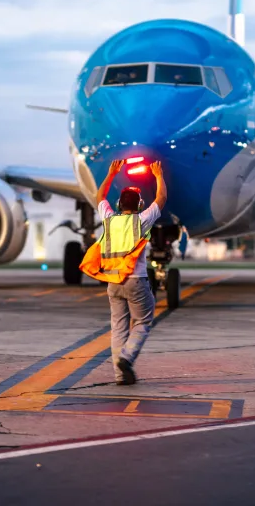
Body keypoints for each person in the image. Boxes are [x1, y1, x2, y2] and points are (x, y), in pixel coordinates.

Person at [86, 160, 167, 385]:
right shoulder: (141, 221)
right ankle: (127, 357)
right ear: (139, 205)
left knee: (118, 327)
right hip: (136, 280)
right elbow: (161, 200)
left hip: (113, 281)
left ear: (119, 204)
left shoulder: (110, 220)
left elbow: (99, 197)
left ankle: (120, 375)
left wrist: (111, 173)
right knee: (142, 321)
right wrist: (158, 175)